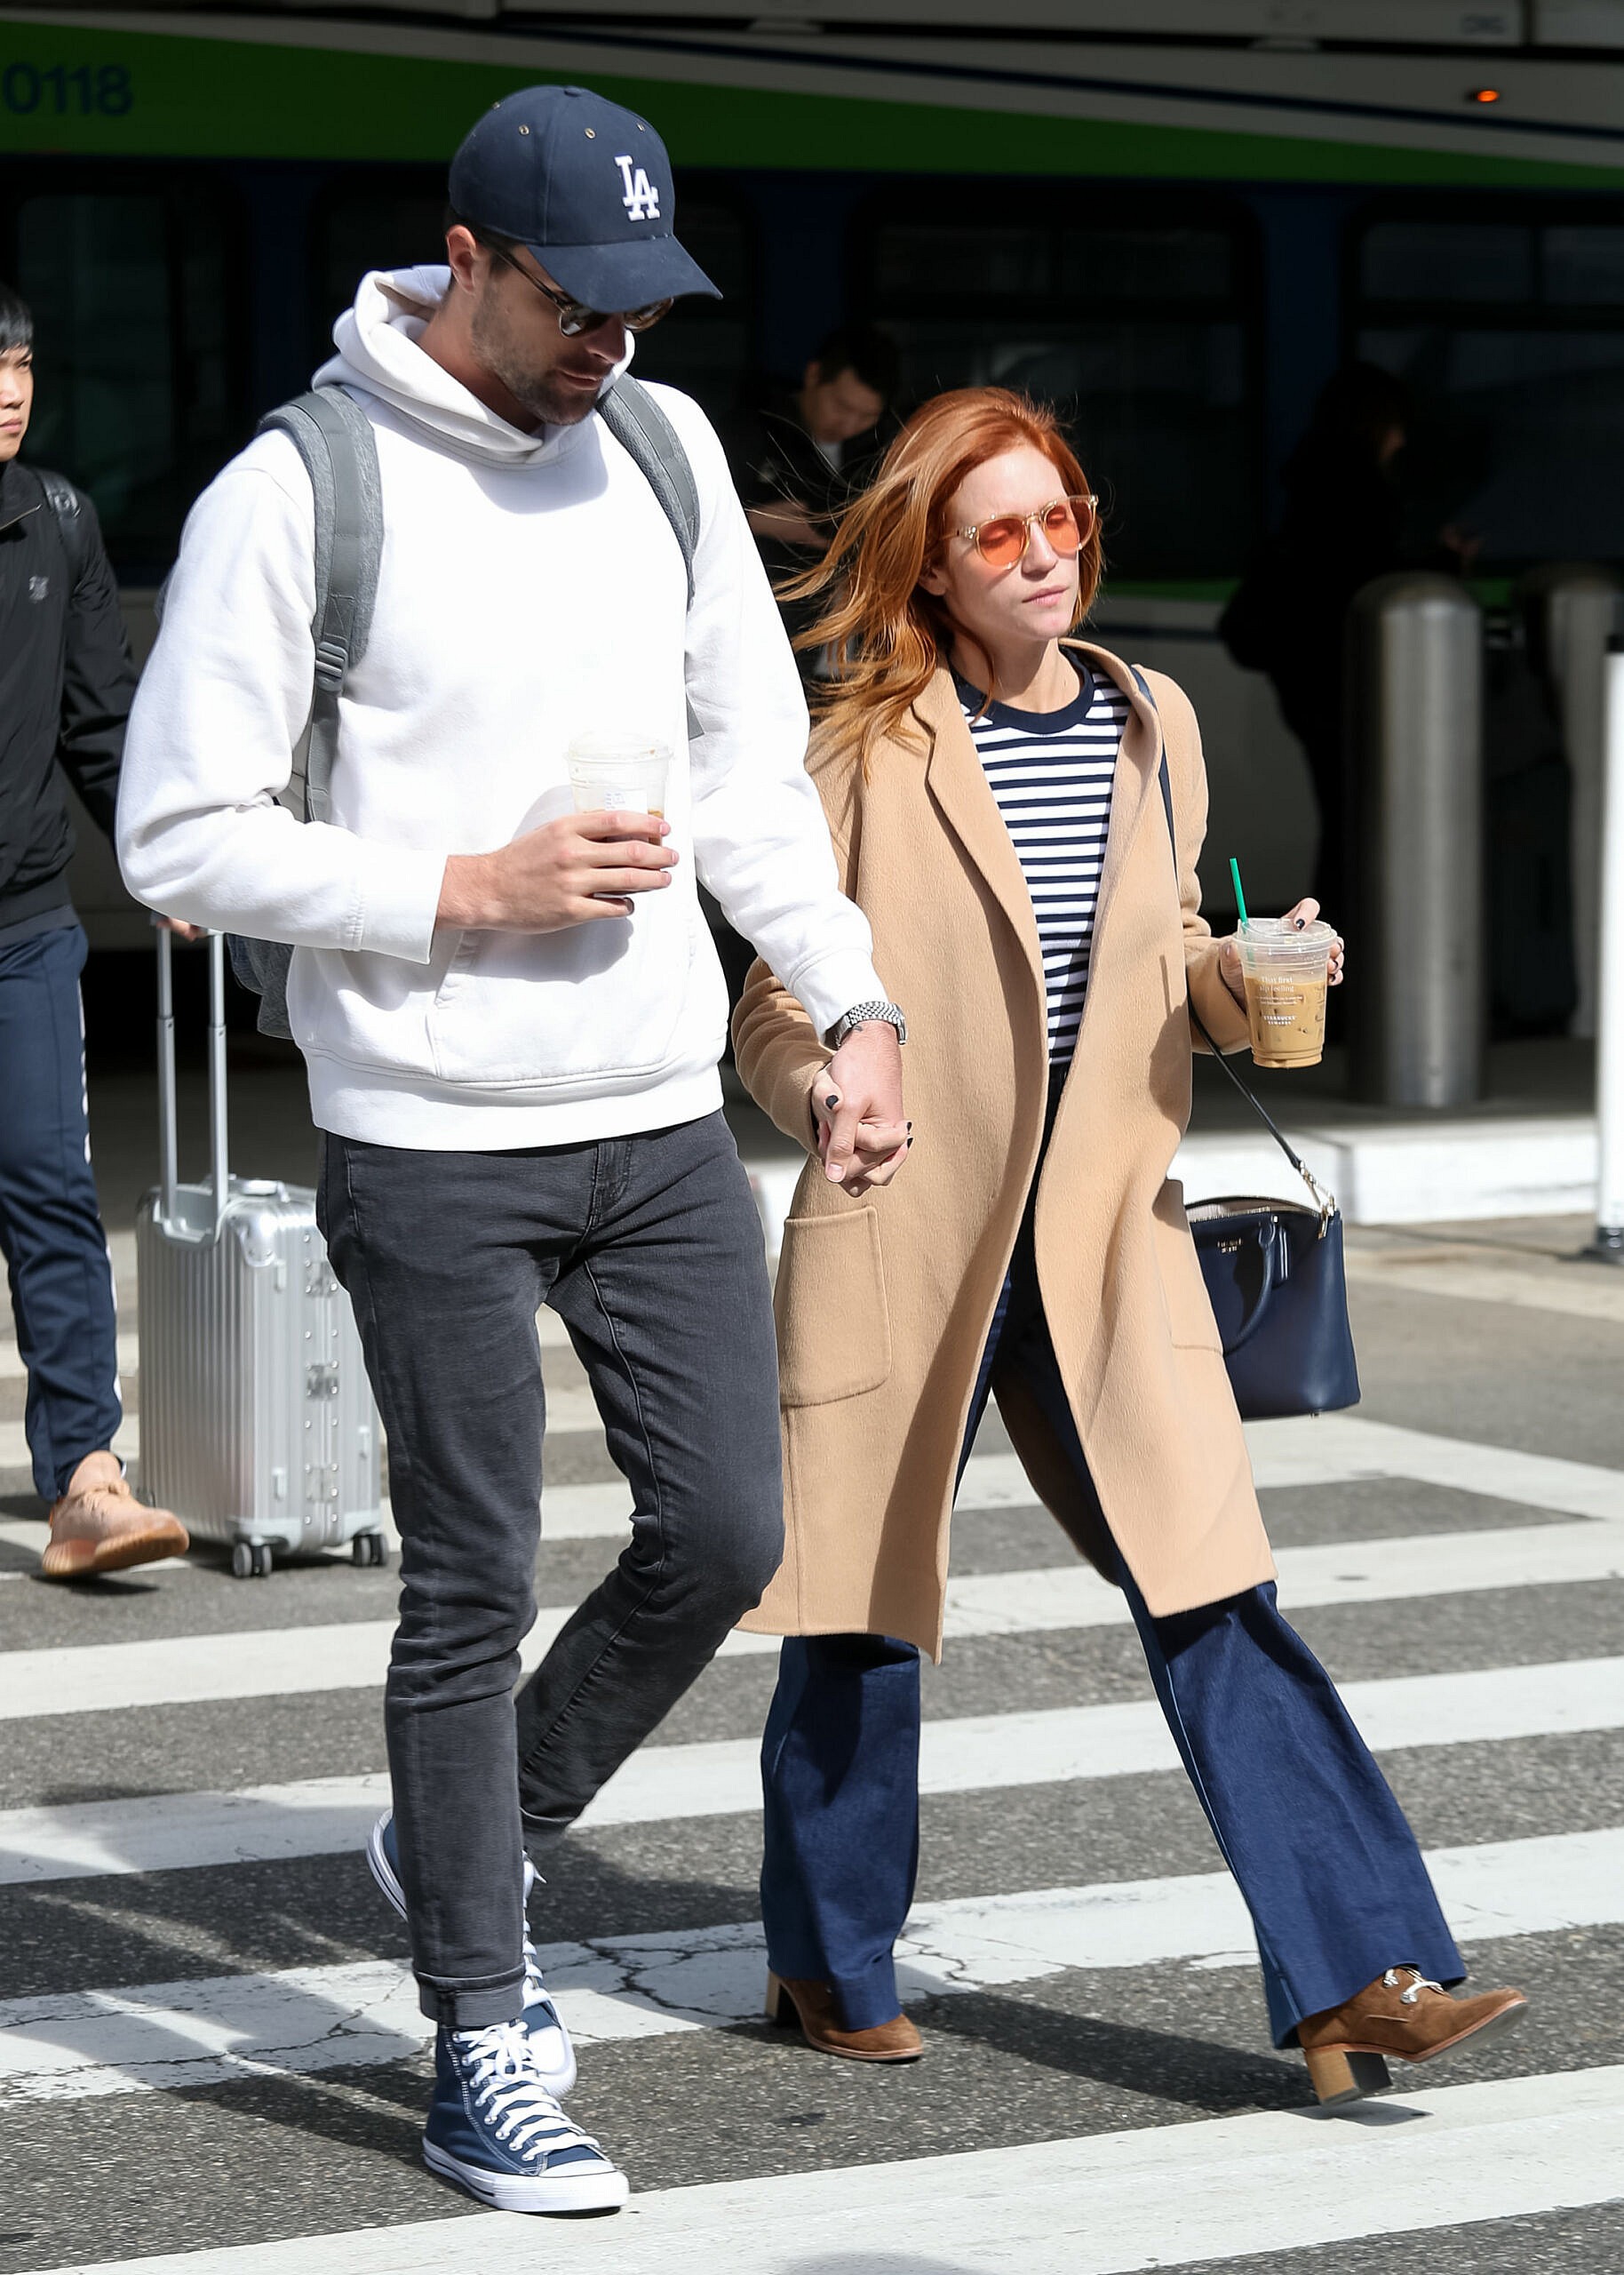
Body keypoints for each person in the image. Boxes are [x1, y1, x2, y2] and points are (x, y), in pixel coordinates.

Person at [117, 85, 906, 2215]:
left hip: (651, 1114)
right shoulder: (304, 489)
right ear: (463, 258)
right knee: (471, 1578)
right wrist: (460, 888)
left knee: (731, 1527)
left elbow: (751, 774)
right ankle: (485, 2024)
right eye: (577, 304)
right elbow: (176, 828)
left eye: (646, 306)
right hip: (430, 1131)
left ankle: (474, 1811)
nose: (613, 346)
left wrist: (847, 1001)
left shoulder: (657, 456)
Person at [732, 386, 1525, 2103]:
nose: (1043, 556)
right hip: (911, 1223)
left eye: (1063, 519)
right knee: (863, 1616)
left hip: (1101, 1241)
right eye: (999, 532)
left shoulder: (1147, 715)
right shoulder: (863, 745)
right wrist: (818, 1096)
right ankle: (826, 1953)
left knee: (1213, 1597)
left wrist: (1256, 970)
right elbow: (777, 1005)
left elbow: (1167, 957)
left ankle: (1351, 1984)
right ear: (930, 569)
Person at [0, 281, 189, 1583]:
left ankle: (86, 1479)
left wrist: (162, 849)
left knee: (52, 1191)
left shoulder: (53, 520)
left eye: (19, 368)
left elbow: (99, 724)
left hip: (21, 928)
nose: (10, 391)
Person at [1219, 363, 1477, 923]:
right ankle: (1348, 942)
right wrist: (1443, 564)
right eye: (1395, 426)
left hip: (1307, 684)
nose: (1401, 440)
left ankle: (1340, 938)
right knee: (1361, 823)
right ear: (1374, 426)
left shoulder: (1309, 484)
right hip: (1344, 686)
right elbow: (1367, 585)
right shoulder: (1362, 495)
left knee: (1344, 818)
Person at [730, 323, 899, 656]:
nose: (848, 424)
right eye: (841, 405)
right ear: (814, 375)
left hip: (855, 647)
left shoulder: (880, 453)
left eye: (866, 416)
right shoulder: (750, 433)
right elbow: (691, 519)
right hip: (765, 636)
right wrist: (754, 521)